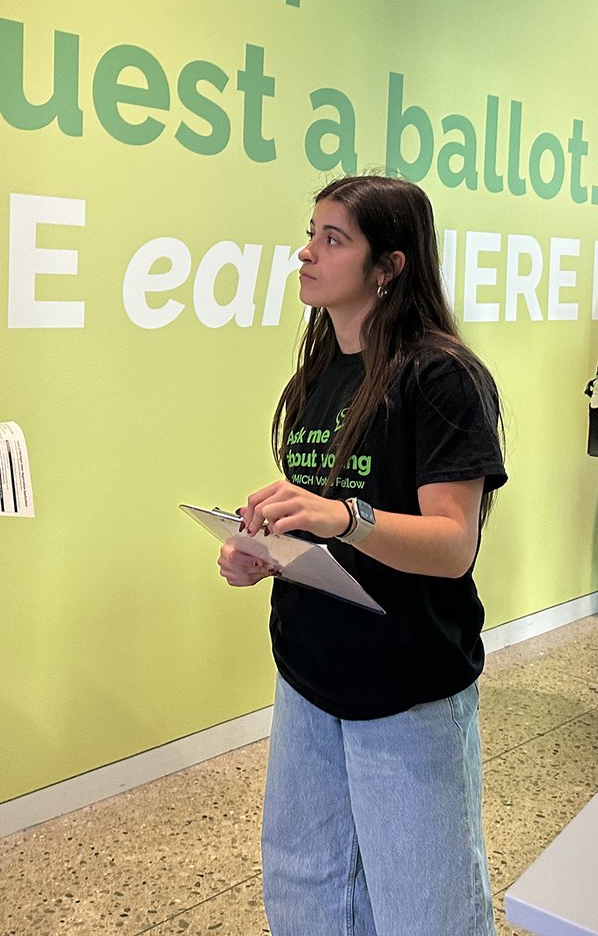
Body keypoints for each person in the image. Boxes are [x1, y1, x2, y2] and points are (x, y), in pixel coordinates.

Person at [217, 174, 506, 936]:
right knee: (307, 889)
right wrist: (265, 553)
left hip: (406, 689)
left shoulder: (443, 378)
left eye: (331, 239)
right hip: (310, 678)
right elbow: (322, 528)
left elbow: (452, 545)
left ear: (389, 265)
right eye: (310, 232)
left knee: (423, 907)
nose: (305, 253)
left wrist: (343, 516)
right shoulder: (320, 374)